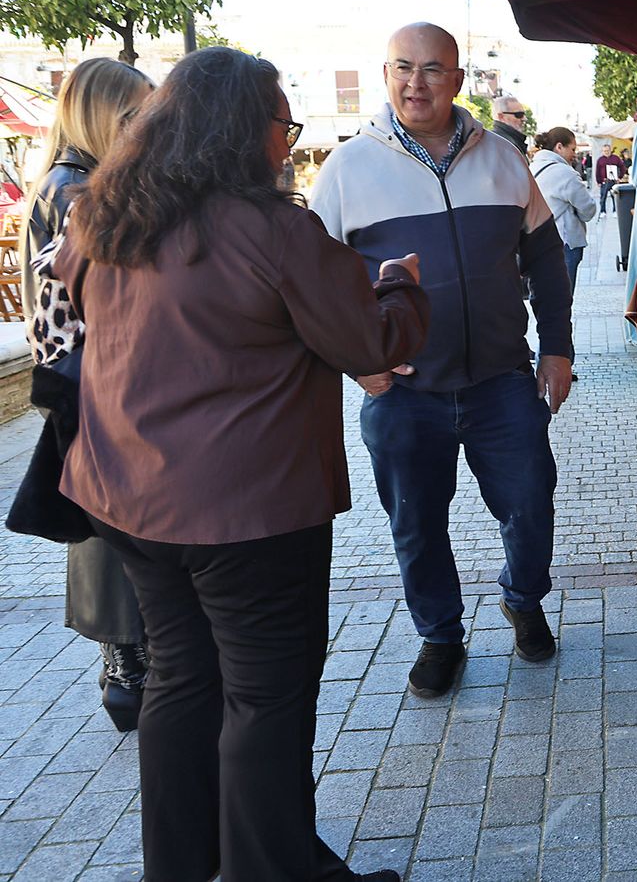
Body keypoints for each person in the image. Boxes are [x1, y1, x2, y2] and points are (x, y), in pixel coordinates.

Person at [53, 47, 427, 882]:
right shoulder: (269, 228)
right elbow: (367, 338)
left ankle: (183, 869)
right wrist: (401, 286)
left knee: (182, 681)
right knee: (265, 697)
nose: (287, 143)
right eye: (282, 125)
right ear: (244, 132)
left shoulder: (105, 215)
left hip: (131, 497)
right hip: (245, 511)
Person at [308, 22, 576, 698]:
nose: (415, 82)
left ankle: (523, 596)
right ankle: (440, 636)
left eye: (432, 69)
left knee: (529, 499)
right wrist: (351, 358)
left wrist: (559, 346)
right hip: (402, 390)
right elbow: (309, 280)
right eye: (402, 67)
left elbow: (543, 254)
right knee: (416, 522)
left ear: (458, 80)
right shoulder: (348, 167)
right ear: (385, 72)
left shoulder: (504, 157)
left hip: (500, 380)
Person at [20, 57, 154, 731]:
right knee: (112, 524)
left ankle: (124, 667)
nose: (143, 129)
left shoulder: (61, 181)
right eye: (133, 116)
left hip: (79, 376)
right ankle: (128, 667)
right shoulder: (77, 189)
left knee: (107, 518)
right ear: (104, 116)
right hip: (96, 376)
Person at [531, 126, 599, 287]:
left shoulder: (532, 168)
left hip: (536, 241)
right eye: (573, 149)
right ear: (559, 146)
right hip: (564, 242)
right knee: (563, 295)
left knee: (542, 293)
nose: (574, 154)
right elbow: (588, 209)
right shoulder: (564, 173)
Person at [595, 142, 625, 213]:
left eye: (607, 151)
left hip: (614, 181)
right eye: (605, 151)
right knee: (603, 197)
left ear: (610, 150)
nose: (606, 152)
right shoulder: (600, 160)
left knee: (615, 197)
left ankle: (615, 211)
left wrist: (620, 177)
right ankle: (602, 211)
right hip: (604, 181)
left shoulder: (616, 158)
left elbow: (622, 167)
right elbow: (597, 171)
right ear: (602, 151)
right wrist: (598, 181)